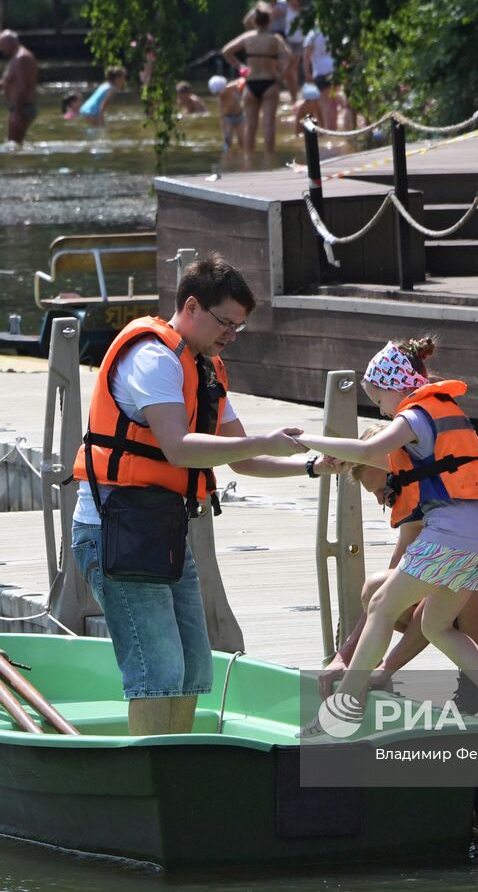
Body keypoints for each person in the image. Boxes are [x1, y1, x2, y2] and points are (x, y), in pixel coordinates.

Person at [70, 254, 323, 735]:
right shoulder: (153, 358)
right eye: (226, 323)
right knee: (158, 673)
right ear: (191, 306)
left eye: (238, 327)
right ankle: (151, 781)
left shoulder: (205, 369)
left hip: (162, 529)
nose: (230, 335)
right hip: (115, 529)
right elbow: (179, 447)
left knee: (192, 670)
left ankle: (177, 765)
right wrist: (264, 438)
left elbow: (241, 458)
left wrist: (311, 466)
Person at [296, 338, 478, 734]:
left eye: (377, 398)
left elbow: (368, 444)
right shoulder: (437, 414)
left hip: (450, 534)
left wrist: (303, 440)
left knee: (382, 605)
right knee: (437, 625)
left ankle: (341, 710)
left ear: (393, 386)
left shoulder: (412, 415)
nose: (380, 408)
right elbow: (372, 455)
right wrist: (340, 458)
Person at [317, 427, 478, 698]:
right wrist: (345, 656)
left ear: (396, 466)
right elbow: (389, 590)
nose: (384, 500)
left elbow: (455, 572)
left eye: (385, 490)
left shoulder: (456, 482)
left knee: (459, 575)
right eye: (378, 498)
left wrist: (387, 667)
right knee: (378, 588)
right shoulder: (422, 489)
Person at [221, 5, 291, 153]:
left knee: (250, 126)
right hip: (270, 81)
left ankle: (248, 160)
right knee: (268, 125)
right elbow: (289, 57)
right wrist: (281, 75)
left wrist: (240, 66)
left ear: (255, 22)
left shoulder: (248, 38)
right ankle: (269, 159)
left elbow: (226, 51)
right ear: (269, 22)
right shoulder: (275, 39)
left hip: (251, 82)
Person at [0, 30, 39, 144]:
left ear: (10, 42)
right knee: (14, 143)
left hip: (22, 107)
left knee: (14, 144)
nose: (0, 49)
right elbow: (6, 82)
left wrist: (17, 112)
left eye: (1, 45)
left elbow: (23, 87)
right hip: (19, 107)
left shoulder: (21, 58)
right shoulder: (16, 58)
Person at [303, 25, 337, 130]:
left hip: (320, 72)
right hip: (334, 70)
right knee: (333, 103)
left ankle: (328, 130)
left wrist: (307, 72)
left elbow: (307, 55)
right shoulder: (333, 31)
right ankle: (333, 129)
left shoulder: (312, 34)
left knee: (325, 104)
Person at [210, 74, 245, 150]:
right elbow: (222, 118)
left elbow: (242, 80)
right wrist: (225, 133)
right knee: (228, 142)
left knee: (242, 140)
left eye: (218, 93)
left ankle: (243, 158)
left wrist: (242, 82)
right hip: (228, 119)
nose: (218, 95)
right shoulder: (221, 102)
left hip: (240, 116)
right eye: (216, 94)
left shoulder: (232, 87)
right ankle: (227, 157)